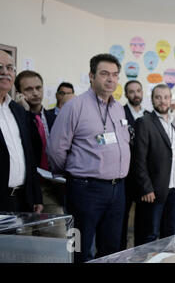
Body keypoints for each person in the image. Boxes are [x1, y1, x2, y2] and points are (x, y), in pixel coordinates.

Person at [47, 53, 130, 263]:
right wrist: (74, 175)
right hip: (85, 190)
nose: (110, 79)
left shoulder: (119, 108)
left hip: (117, 189)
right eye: (104, 74)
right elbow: (56, 149)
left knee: (111, 248)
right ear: (91, 76)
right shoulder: (75, 106)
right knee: (80, 249)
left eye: (115, 75)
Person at [132, 84, 175, 246]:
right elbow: (139, 159)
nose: (162, 101)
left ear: (170, 99)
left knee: (170, 232)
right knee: (150, 234)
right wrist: (146, 187)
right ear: (152, 100)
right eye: (158, 97)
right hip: (154, 189)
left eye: (166, 97)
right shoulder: (144, 122)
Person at [15, 70, 63, 214]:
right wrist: (24, 111)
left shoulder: (54, 117)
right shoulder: (16, 118)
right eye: (29, 89)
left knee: (58, 234)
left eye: (38, 88)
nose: (35, 93)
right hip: (27, 185)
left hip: (53, 185)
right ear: (19, 93)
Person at [0, 51, 43, 213]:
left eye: (10, 67)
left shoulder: (17, 110)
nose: (5, 72)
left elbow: (29, 155)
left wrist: (36, 195)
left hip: (21, 199)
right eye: (0, 67)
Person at [120, 79, 149, 250]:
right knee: (121, 218)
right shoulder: (120, 113)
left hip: (144, 176)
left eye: (138, 90)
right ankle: (121, 252)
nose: (136, 94)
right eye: (131, 91)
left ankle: (140, 252)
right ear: (126, 94)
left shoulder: (148, 115)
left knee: (143, 219)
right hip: (126, 175)